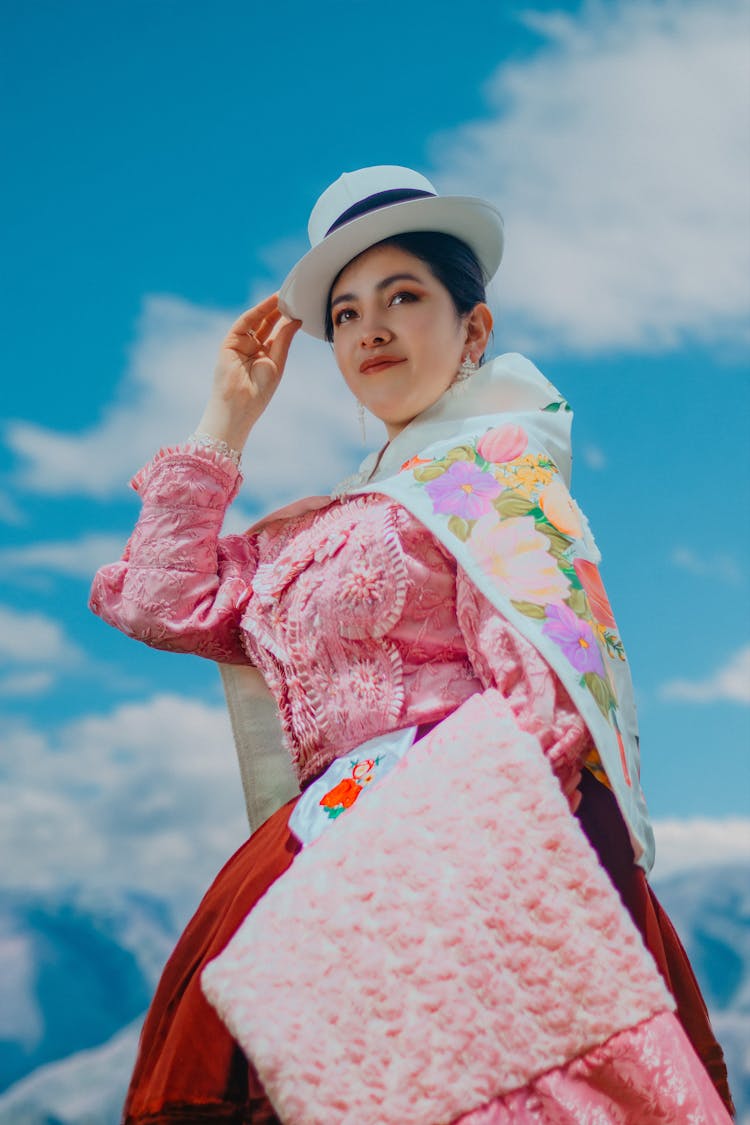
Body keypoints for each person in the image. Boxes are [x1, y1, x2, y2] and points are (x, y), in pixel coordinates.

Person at [90, 166, 734, 1124]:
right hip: (318, 861)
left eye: (403, 297)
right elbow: (160, 600)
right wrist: (227, 416)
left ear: (473, 329)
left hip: (448, 877)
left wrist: (412, 884)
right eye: (346, 315)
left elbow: (545, 715)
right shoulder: (325, 526)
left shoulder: (495, 486)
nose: (371, 329)